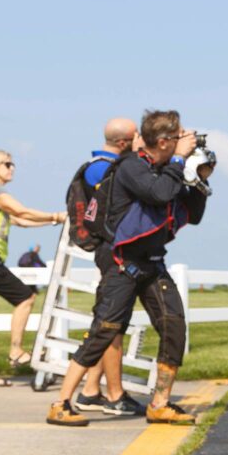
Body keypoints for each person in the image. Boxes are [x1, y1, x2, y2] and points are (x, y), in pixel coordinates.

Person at [46, 109, 213, 426]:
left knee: (173, 326)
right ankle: (60, 402)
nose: (183, 143)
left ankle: (160, 403)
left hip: (151, 263)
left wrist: (199, 178)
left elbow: (192, 213)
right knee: (104, 330)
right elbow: (159, 193)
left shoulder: (166, 169)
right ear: (164, 141)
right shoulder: (132, 167)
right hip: (122, 263)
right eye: (178, 138)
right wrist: (178, 162)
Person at [0, 150, 67, 387]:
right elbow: (21, 211)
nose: (12, 168)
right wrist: (58, 215)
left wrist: (52, 220)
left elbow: (20, 221)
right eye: (7, 164)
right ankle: (16, 351)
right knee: (26, 297)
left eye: (12, 164)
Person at [73, 117, 146, 417]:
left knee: (110, 321)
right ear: (123, 143)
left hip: (109, 251)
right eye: (138, 136)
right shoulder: (106, 169)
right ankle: (115, 395)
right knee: (111, 325)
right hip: (112, 253)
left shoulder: (98, 166)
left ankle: (91, 389)